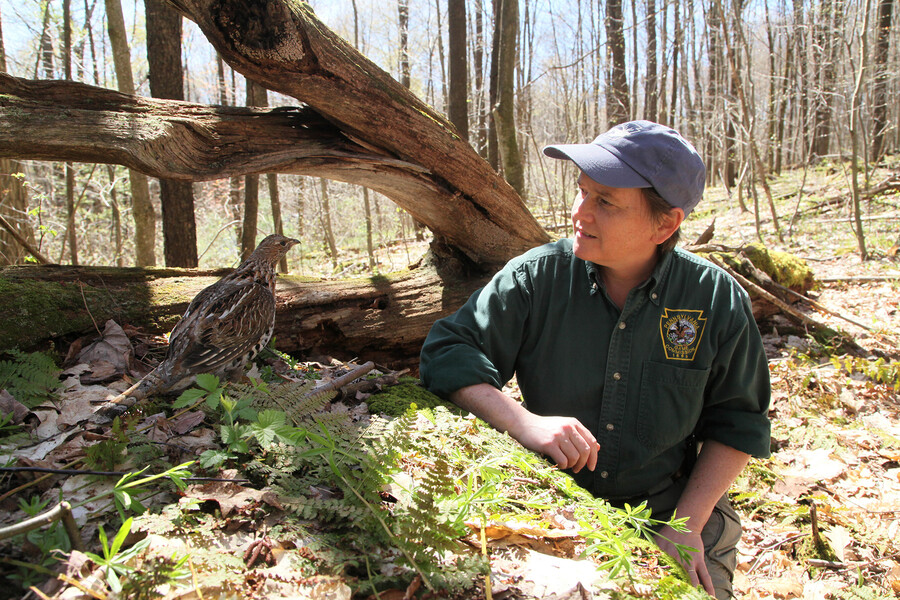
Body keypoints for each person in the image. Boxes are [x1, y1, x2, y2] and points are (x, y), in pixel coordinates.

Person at [419, 120, 771, 599]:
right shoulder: (538, 277)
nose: (579, 212)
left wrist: (686, 526)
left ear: (665, 223)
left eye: (605, 201)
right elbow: (449, 350)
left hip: (674, 506)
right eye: (581, 192)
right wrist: (523, 422)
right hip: (552, 503)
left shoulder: (713, 298)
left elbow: (739, 421)